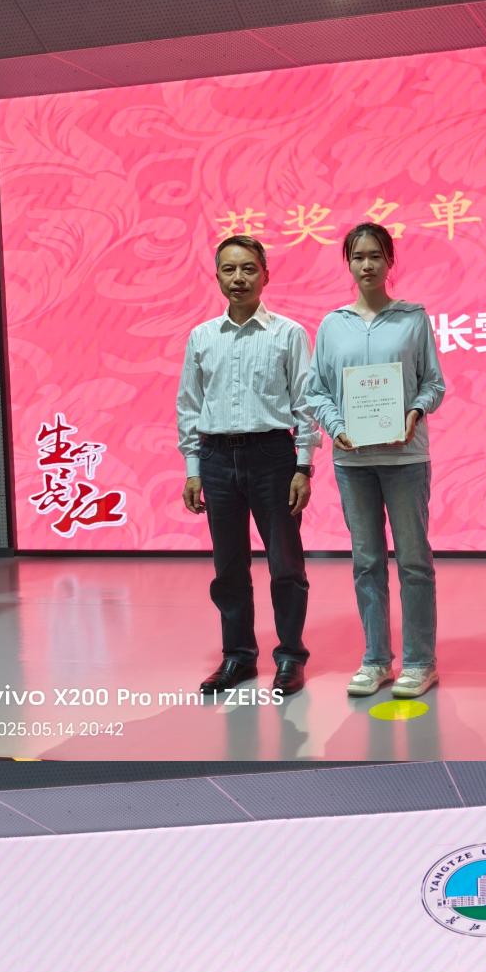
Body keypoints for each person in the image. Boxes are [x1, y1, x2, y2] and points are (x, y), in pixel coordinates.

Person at [307, 223, 446, 697]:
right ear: (347, 263)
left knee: (413, 561)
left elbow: (433, 383)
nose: (366, 265)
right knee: (366, 562)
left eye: (375, 256)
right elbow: (316, 391)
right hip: (353, 463)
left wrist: (415, 411)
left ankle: (420, 662)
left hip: (406, 457)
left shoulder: (413, 319)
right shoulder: (332, 325)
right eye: (357, 257)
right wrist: (337, 427)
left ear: (390, 261)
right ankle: (375, 660)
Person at [178, 234, 319, 697]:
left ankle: (290, 657)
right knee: (228, 568)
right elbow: (189, 406)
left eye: (248, 269)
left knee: (286, 565)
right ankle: (237, 657)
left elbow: (305, 404)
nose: (238, 278)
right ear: (217, 276)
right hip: (217, 459)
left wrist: (303, 466)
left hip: (272, 458)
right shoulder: (201, 337)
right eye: (229, 269)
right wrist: (193, 468)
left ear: (265, 275)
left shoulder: (288, 334)